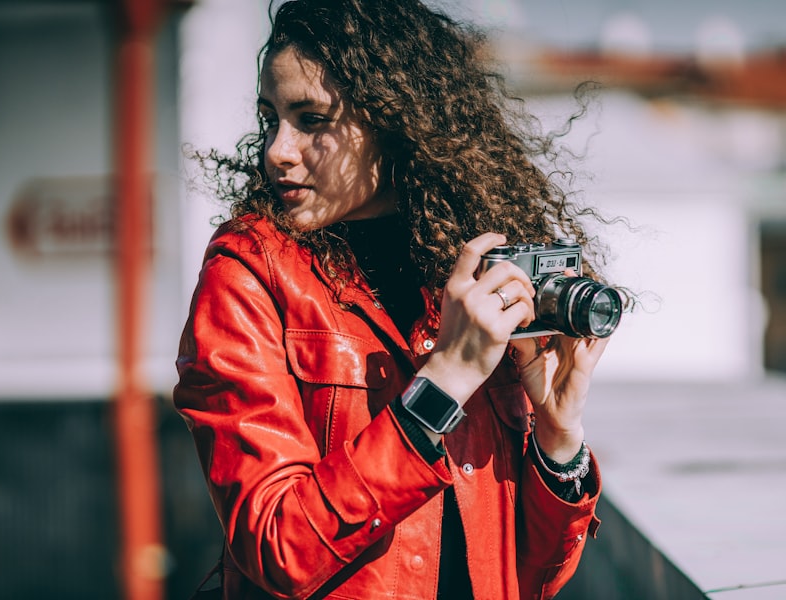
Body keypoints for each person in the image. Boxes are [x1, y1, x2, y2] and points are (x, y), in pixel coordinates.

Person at [174, 0, 618, 598]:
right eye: (272, 118)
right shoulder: (251, 271)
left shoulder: (462, 270)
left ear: (393, 119)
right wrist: (444, 383)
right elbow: (278, 545)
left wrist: (559, 443)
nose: (277, 149)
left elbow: (532, 576)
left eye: (311, 119)